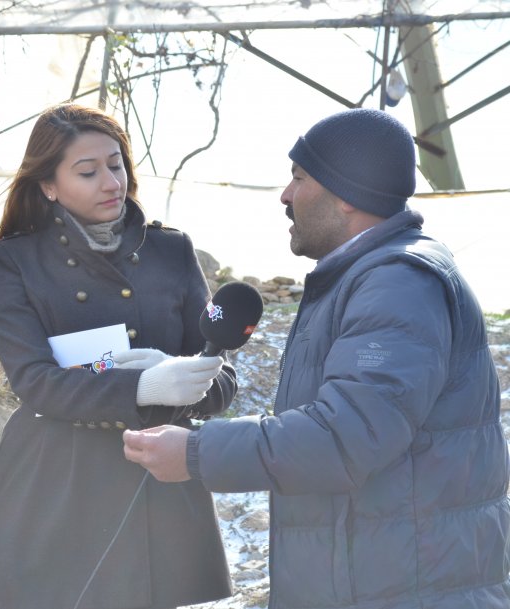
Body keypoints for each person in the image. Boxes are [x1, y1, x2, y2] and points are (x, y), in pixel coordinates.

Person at [122, 108, 510, 608]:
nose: (285, 195)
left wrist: (197, 452)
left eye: (299, 177)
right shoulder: (361, 277)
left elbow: (346, 436)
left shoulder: (397, 284)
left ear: (347, 194)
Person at [0, 103, 237, 609]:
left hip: (160, 476)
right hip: (57, 481)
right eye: (88, 171)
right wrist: (142, 387)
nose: (111, 182)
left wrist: (187, 381)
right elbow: (34, 381)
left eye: (116, 165)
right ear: (48, 185)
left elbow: (222, 374)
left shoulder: (171, 250)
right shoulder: (15, 261)